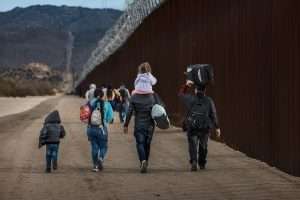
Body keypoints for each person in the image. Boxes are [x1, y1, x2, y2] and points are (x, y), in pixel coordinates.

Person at [178, 82, 221, 171]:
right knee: (203, 145)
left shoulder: (190, 99)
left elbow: (180, 95)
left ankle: (194, 161)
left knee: (192, 144)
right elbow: (213, 114)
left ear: (195, 90)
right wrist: (217, 127)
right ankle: (202, 163)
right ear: (205, 90)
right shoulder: (209, 100)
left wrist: (186, 85)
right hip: (205, 127)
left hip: (192, 126)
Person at [123, 88, 155, 174]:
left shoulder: (134, 97)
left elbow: (129, 111)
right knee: (147, 144)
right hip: (150, 125)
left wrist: (126, 124)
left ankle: (143, 160)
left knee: (140, 143)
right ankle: (146, 161)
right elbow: (158, 109)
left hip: (139, 124)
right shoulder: (152, 97)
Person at [87, 88, 113, 172]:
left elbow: (85, 115)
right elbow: (110, 118)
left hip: (91, 128)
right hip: (102, 128)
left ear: (94, 94)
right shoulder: (107, 104)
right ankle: (101, 158)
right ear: (102, 95)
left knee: (94, 147)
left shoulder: (90, 103)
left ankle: (95, 166)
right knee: (104, 146)